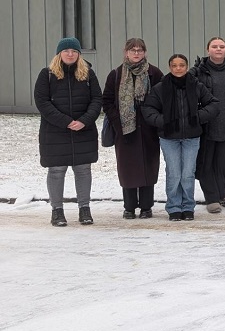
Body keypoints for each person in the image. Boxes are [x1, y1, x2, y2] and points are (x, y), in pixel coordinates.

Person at [142, 54, 220, 221]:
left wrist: (198, 117)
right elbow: (148, 109)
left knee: (188, 174)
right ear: (170, 67)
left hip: (191, 137)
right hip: (169, 138)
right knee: (174, 173)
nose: (178, 68)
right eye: (174, 65)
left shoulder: (196, 85)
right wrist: (164, 121)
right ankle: (174, 207)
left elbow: (213, 104)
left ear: (186, 66)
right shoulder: (160, 88)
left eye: (182, 65)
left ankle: (188, 207)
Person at [35, 37, 103, 227]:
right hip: (55, 132)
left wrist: (84, 121)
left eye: (74, 51)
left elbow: (97, 99)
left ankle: (84, 209)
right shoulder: (47, 75)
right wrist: (66, 122)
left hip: (83, 132)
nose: (70, 54)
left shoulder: (88, 74)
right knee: (56, 171)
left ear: (79, 54)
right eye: (66, 51)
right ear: (59, 54)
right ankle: (57, 211)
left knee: (83, 170)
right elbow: (42, 102)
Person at [102, 38, 163, 220]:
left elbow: (163, 99)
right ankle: (129, 207)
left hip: (148, 130)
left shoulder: (154, 73)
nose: (136, 53)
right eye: (133, 50)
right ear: (126, 52)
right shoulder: (116, 74)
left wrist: (154, 119)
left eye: (140, 50)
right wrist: (118, 123)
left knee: (148, 167)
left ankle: (146, 207)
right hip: (124, 130)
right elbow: (107, 101)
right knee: (127, 168)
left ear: (145, 52)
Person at [191, 37, 225, 213]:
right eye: (214, 46)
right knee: (206, 163)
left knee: (223, 162)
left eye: (221, 46)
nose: (218, 49)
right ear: (208, 50)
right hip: (206, 125)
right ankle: (212, 198)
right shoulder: (199, 71)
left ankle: (221, 191)